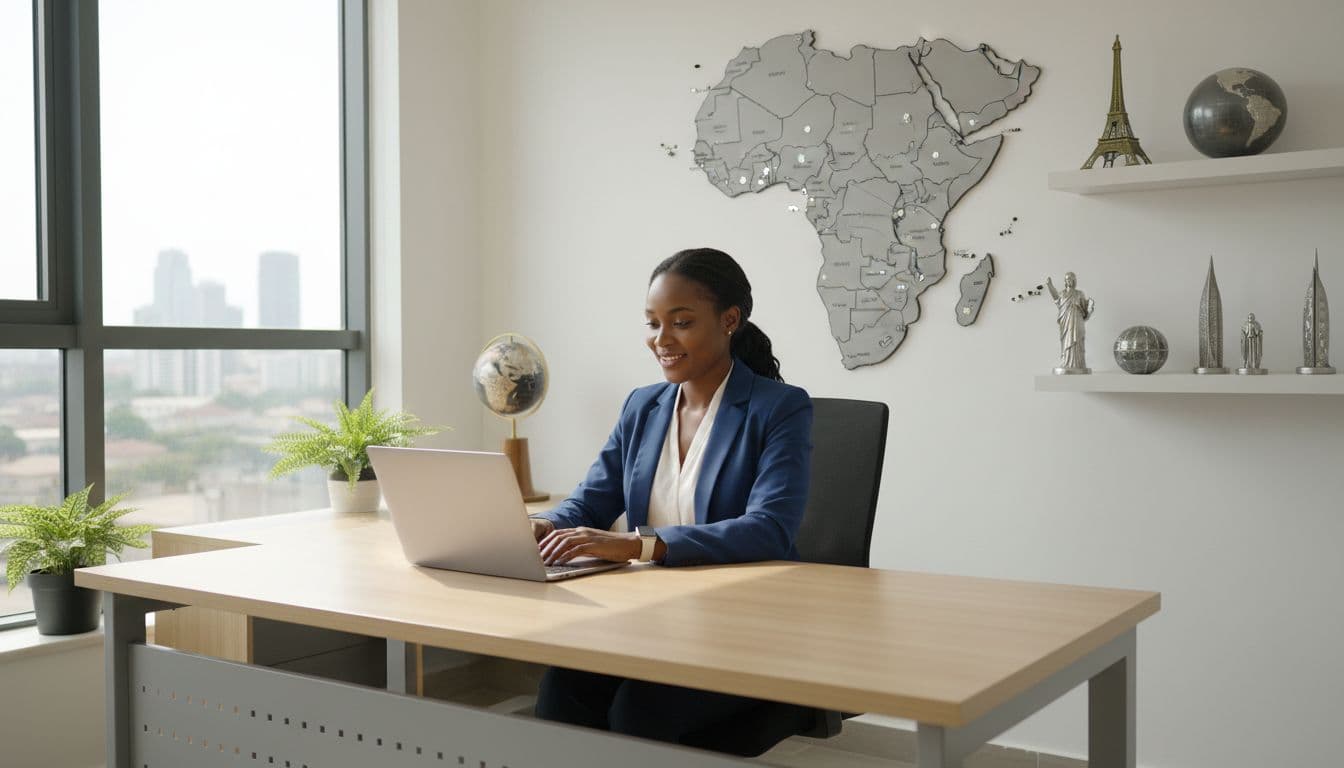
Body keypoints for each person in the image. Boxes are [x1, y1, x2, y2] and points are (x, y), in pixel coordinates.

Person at [528, 247, 814, 747]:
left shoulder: (779, 408)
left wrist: (640, 545)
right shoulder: (643, 406)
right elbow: (590, 502)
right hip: (651, 619)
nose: (661, 340)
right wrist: (546, 525)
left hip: (744, 627)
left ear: (730, 320)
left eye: (680, 322)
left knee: (639, 712)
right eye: (652, 323)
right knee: (561, 692)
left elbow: (770, 528)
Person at [1046, 272, 1095, 372]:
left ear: (1074, 281)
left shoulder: (1079, 293)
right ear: (1065, 281)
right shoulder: (1062, 293)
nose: (1069, 281)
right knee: (1066, 341)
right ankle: (1066, 362)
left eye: (1071, 279)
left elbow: (1085, 312)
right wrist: (1050, 285)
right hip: (1066, 321)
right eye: (1067, 279)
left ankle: (1079, 364)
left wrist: (1089, 308)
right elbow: (1056, 298)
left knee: (1077, 340)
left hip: (1077, 320)